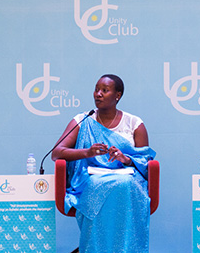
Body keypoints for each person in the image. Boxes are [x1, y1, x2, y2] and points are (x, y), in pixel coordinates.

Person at [52, 74, 156, 253]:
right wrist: (87, 152)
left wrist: (126, 159)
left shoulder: (134, 124)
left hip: (127, 179)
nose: (98, 94)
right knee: (95, 184)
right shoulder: (83, 120)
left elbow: (147, 163)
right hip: (90, 178)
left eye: (105, 90)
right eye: (96, 89)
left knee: (126, 185)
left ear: (118, 95)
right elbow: (56, 152)